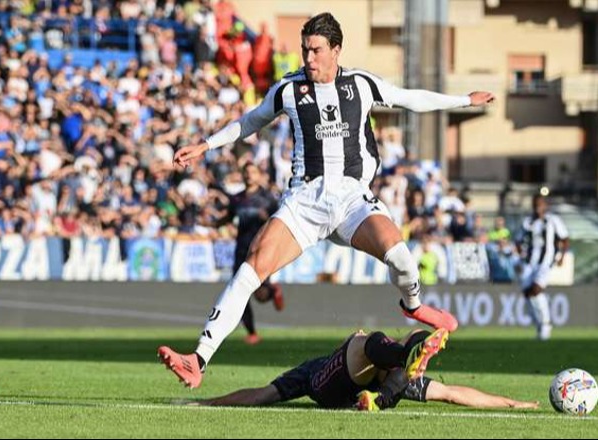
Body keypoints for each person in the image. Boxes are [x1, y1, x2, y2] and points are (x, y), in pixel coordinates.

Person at [158, 12, 495, 388]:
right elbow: (251, 121)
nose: (308, 58)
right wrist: (205, 145)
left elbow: (408, 99)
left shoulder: (360, 84)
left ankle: (413, 307)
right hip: (306, 201)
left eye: (316, 50)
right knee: (252, 267)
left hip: (352, 200)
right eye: (305, 50)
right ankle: (198, 358)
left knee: (400, 255)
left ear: (336, 50)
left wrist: (464, 100)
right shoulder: (289, 89)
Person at [196, 329, 538, 412]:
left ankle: (394, 375)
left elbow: (259, 395)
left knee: (367, 341)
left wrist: (513, 404)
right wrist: (207, 404)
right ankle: (391, 382)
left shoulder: (398, 374)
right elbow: (453, 394)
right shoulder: (309, 371)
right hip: (331, 380)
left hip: (350, 380)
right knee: (366, 342)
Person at [221, 163, 284, 345]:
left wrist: (269, 220)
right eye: (246, 172)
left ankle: (272, 291)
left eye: (253, 172)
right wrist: (213, 222)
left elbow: (280, 221)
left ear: (258, 175)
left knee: (260, 295)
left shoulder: (268, 198)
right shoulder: (237, 199)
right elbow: (228, 217)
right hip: (241, 249)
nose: (249, 175)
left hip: (260, 249)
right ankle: (252, 332)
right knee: (237, 291)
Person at [515, 194, 570, 341]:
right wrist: (520, 259)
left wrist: (562, 257)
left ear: (545, 205)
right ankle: (539, 324)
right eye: (535, 205)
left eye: (540, 204)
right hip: (529, 263)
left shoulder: (553, 220)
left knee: (536, 289)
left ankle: (546, 324)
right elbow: (518, 241)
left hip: (546, 262)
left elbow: (565, 239)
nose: (537, 207)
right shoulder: (527, 222)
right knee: (527, 293)